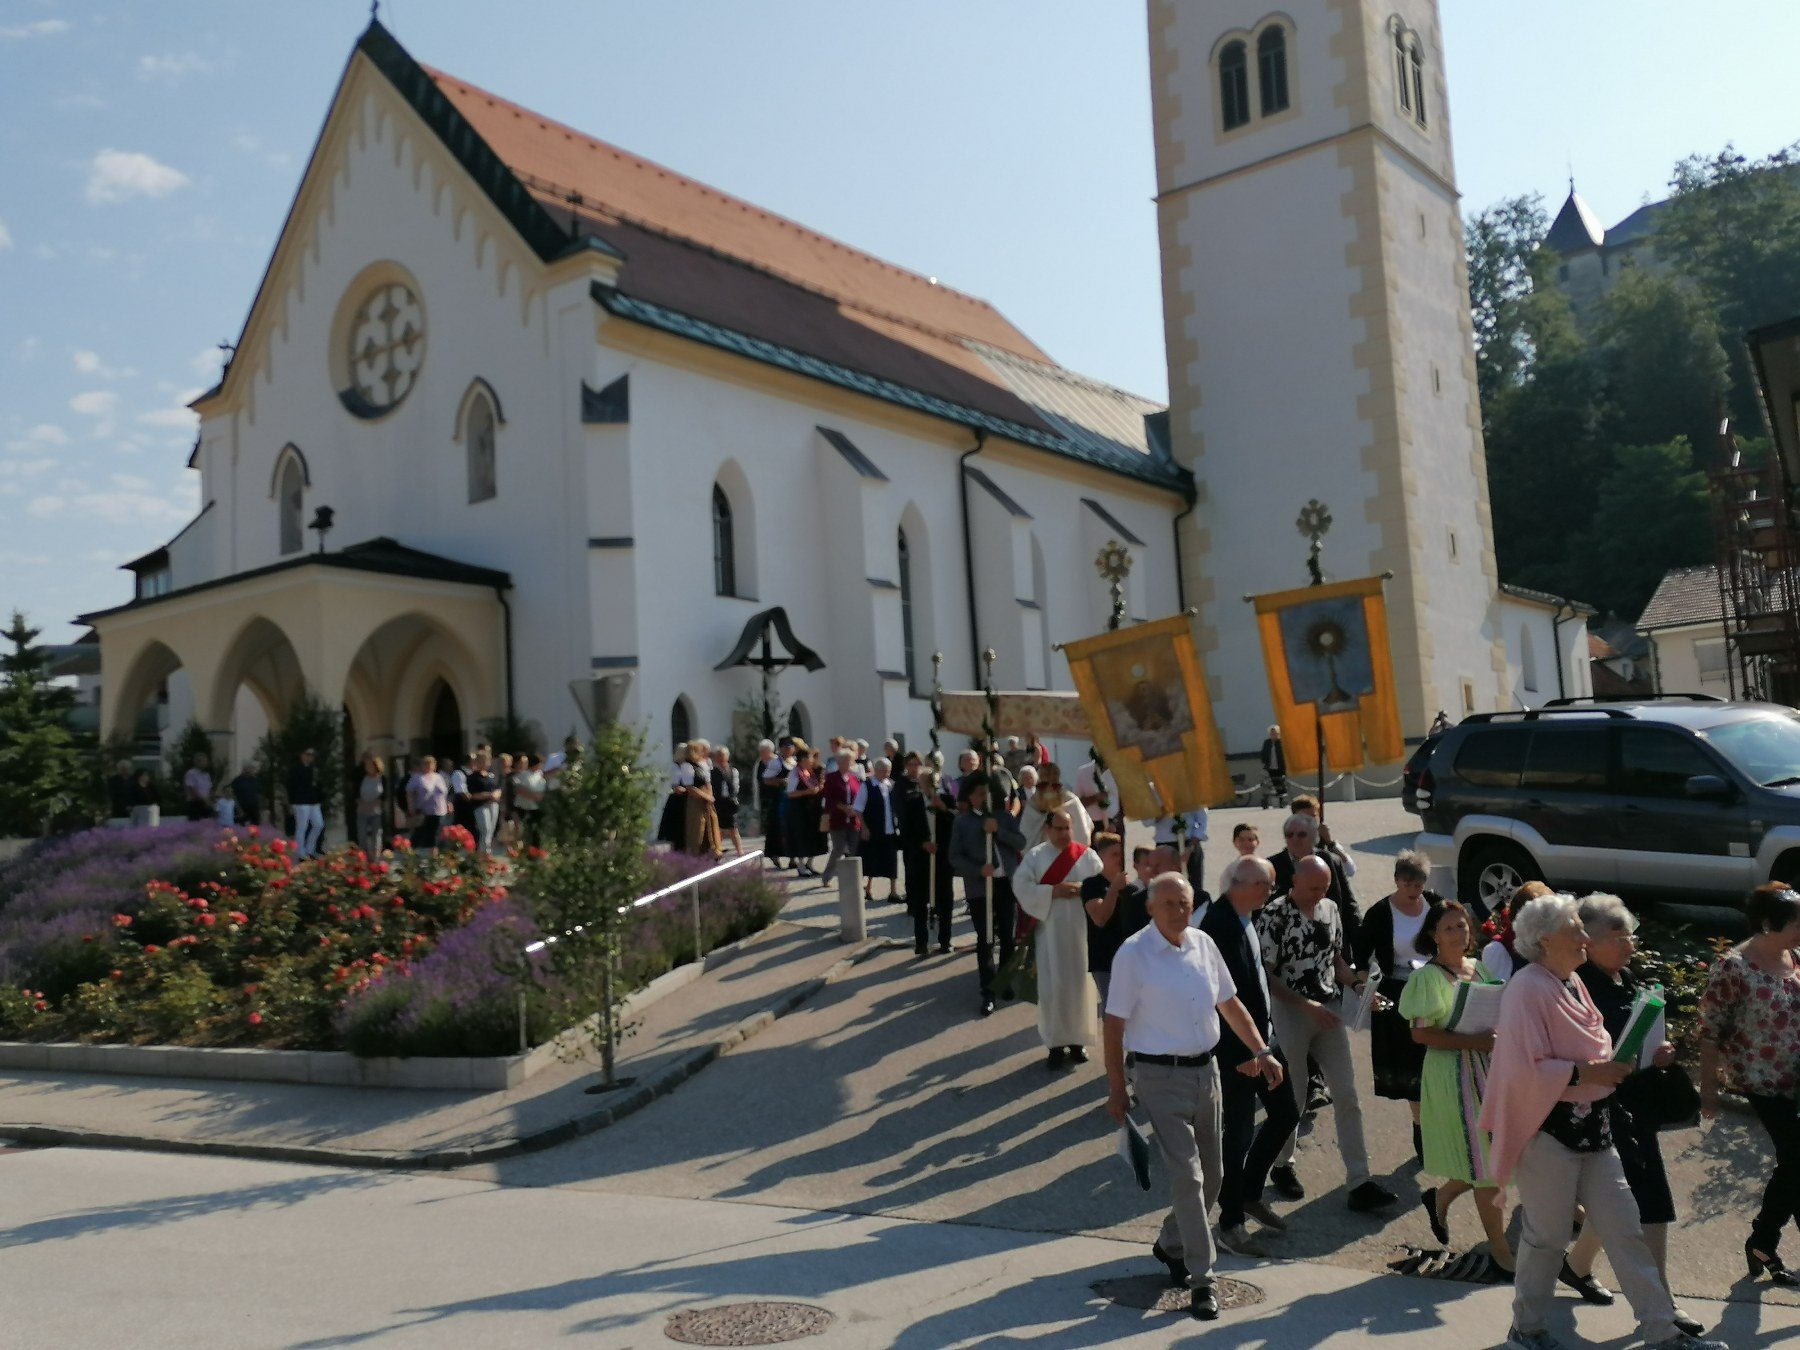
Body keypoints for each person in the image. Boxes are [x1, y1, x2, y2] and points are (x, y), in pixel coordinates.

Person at [1480, 894, 1718, 1350]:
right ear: (1545, 940)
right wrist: (1587, 1072)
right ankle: (1526, 1330)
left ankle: (1663, 1332)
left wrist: (1624, 1059)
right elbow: (1521, 1070)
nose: (1584, 937)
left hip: (1597, 1127)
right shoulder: (1527, 988)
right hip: (1547, 1133)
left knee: (1626, 1230)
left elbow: (1596, 1044)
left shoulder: (1571, 981)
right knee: (1547, 1240)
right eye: (1575, 928)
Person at [1103, 871, 1285, 1321]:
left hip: (1208, 1072)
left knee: (1215, 1175)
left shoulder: (1203, 944)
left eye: (1184, 902)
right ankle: (1203, 1278)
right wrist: (1116, 1088)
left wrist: (1261, 1050)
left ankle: (1171, 1242)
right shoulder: (1133, 954)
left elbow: (1230, 1004)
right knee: (1188, 1176)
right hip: (1157, 1077)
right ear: (1151, 907)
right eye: (1169, 903)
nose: (1179, 911)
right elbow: (1113, 1025)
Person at [1565, 894, 1703, 1335]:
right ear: (1588, 942)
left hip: (1636, 1104)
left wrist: (1661, 1053)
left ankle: (1576, 1265)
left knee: (1623, 1198)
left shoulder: (1624, 977)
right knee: (1648, 1200)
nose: (1629, 945)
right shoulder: (1578, 987)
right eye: (1618, 937)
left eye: (1630, 936)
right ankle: (1663, 1305)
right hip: (1601, 1108)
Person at [1259, 855, 1395, 1212]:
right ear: (1295, 881)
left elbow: (1334, 960)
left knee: (1347, 1094)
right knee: (1294, 1094)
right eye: (1313, 888)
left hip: (1328, 1009)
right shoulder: (1275, 915)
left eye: (1325, 888)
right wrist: (1306, 1006)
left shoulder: (1330, 909)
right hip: (1291, 1011)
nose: (1320, 894)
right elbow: (1266, 975)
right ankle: (1281, 1164)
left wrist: (1359, 987)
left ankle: (1360, 1180)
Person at [1401, 898, 1513, 1278]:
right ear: (1434, 935)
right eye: (1448, 927)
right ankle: (1500, 1250)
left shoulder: (1479, 968)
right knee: (1486, 1164)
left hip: (1488, 1069)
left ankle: (1442, 1196)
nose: (1457, 933)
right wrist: (1475, 1041)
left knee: (1488, 1154)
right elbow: (1420, 1034)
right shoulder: (1427, 978)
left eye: (1462, 926)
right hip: (1453, 1075)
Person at [1700, 882, 1800, 1293]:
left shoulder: (1794, 956)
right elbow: (1709, 1031)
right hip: (1760, 1081)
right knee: (1796, 1157)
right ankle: (1763, 1240)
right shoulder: (1734, 967)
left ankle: (1762, 1244)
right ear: (1768, 924)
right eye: (1796, 923)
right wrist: (1709, 1088)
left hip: (1796, 1079)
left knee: (1796, 1163)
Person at [1200, 855, 1301, 1257]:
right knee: (1238, 1135)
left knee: (1286, 1113)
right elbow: (1221, 999)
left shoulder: (1244, 917)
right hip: (1240, 1052)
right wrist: (1246, 1052)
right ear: (1239, 884)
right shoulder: (1219, 926)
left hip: (1262, 1043)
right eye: (1265, 885)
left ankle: (1248, 1193)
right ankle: (1230, 1224)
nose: (1270, 892)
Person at [1353, 850, 1438, 1157]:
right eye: (1407, 884)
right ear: (1396, 881)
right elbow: (1360, 957)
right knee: (1412, 1065)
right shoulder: (1379, 912)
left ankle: (1441, 1126)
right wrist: (1367, 989)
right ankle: (1421, 1127)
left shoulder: (1436, 905)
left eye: (1419, 884)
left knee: (1437, 1060)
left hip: (1434, 987)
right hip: (1398, 993)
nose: (1414, 890)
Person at [1016, 810, 1102, 1068]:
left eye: (1068, 828)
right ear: (1047, 829)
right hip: (1050, 934)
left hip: (1081, 933)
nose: (1064, 833)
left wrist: (1082, 889)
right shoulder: (1035, 857)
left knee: (1080, 985)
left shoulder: (1086, 855)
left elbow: (1102, 883)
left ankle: (1078, 1041)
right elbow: (1021, 886)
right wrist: (1051, 892)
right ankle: (1055, 1044)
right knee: (1053, 988)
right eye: (1059, 828)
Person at [948, 776, 1025, 1017]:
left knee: (1008, 936)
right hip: (980, 889)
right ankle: (988, 991)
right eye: (979, 794)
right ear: (970, 797)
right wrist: (978, 870)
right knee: (986, 938)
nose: (984, 798)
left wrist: (998, 831)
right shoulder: (962, 822)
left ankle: (1005, 980)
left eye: (987, 793)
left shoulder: (1004, 817)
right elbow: (954, 857)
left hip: (1005, 884)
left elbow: (1020, 842)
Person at [1084, 833, 1150, 1016]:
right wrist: (1114, 889)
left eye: (1121, 854)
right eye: (1114, 854)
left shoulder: (1132, 889)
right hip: (1105, 959)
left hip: (1129, 958)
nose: (1119, 859)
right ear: (1100, 856)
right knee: (1113, 1010)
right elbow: (1100, 918)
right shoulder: (1092, 885)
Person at [901, 765, 954, 956]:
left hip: (942, 859)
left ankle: (945, 941)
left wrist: (943, 809)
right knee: (920, 902)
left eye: (932, 782)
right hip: (921, 860)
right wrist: (922, 844)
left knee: (945, 901)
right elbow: (906, 832)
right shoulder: (913, 802)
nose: (929, 786)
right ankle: (921, 943)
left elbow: (955, 824)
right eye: (925, 783)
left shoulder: (946, 800)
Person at [852, 757, 900, 901]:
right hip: (873, 829)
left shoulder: (891, 785)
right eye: (884, 771)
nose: (886, 774)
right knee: (871, 860)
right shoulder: (867, 785)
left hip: (890, 830)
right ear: (876, 770)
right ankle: (868, 888)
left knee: (892, 860)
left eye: (888, 771)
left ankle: (893, 891)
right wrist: (864, 828)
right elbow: (858, 809)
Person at [1018, 762, 1090, 853]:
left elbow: (1083, 835)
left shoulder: (1071, 801)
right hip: (1041, 856)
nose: (1049, 788)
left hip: (1069, 855)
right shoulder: (1033, 804)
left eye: (1054, 785)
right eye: (1043, 785)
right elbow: (1025, 837)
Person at [819, 748, 864, 885]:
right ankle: (827, 876)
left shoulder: (854, 778)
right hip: (837, 818)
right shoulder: (831, 777)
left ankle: (854, 879)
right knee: (838, 848)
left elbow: (859, 796)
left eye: (850, 761)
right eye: (846, 760)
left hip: (853, 819)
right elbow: (829, 797)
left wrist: (854, 809)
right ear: (839, 762)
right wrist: (843, 807)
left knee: (854, 849)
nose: (848, 763)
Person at [786, 746, 824, 876]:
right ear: (803, 759)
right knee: (802, 837)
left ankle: (809, 863)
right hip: (800, 810)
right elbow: (790, 793)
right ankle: (801, 866)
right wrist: (806, 792)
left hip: (811, 810)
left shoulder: (809, 772)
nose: (812, 760)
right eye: (810, 757)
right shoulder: (795, 773)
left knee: (813, 837)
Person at [683, 738, 722, 857]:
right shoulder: (687, 766)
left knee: (711, 826)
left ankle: (713, 851)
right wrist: (706, 796)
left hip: (707, 801)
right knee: (697, 828)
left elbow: (707, 782)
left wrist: (710, 796)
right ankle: (695, 854)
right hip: (696, 802)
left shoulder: (701, 765)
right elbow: (690, 788)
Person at [405, 756, 448, 852]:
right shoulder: (417, 777)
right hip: (424, 811)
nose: (429, 766)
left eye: (431, 764)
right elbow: (409, 792)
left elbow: (444, 792)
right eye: (426, 764)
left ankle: (433, 854)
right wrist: (411, 806)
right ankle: (415, 853)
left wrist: (448, 803)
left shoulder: (438, 777)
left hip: (440, 810)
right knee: (422, 834)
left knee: (437, 834)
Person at [756, 739, 788, 865]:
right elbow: (758, 781)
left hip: (778, 798)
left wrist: (778, 782)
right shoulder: (759, 764)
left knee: (780, 826)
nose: (761, 753)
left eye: (763, 751)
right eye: (760, 751)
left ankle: (786, 854)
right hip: (766, 799)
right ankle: (773, 853)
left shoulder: (777, 762)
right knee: (771, 827)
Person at [466, 749, 502, 854]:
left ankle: (488, 852)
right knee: (485, 829)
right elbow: (472, 795)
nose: (484, 763)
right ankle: (483, 853)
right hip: (481, 806)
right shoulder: (472, 777)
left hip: (493, 805)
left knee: (491, 830)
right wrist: (489, 795)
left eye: (486, 760)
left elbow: (498, 788)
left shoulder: (491, 776)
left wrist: (496, 794)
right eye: (481, 760)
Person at [289, 748, 323, 857]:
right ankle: (300, 852)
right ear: (302, 755)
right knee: (302, 827)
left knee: (319, 824)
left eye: (312, 755)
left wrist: (319, 799)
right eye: (308, 754)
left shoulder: (314, 769)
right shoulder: (296, 769)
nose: (310, 757)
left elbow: (317, 785)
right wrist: (292, 802)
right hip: (301, 801)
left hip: (313, 801)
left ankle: (309, 849)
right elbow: (291, 786)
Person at [656, 743, 692, 847]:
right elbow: (675, 786)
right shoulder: (675, 767)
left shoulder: (689, 766)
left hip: (687, 798)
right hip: (678, 800)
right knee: (676, 827)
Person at [1073, 751, 1116, 835]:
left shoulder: (1118, 772)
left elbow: (1124, 801)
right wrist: (1096, 798)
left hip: (1114, 826)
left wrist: (1116, 822)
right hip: (1092, 825)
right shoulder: (1083, 772)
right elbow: (1076, 802)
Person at [713, 746, 743, 856]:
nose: (721, 758)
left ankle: (740, 852)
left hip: (729, 803)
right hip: (717, 802)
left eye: (723, 755)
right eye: (719, 756)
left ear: (727, 757)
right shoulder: (711, 772)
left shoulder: (733, 771)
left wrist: (733, 796)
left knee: (733, 828)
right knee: (717, 829)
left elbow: (736, 786)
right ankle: (718, 851)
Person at [355, 754, 386, 856]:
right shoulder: (362, 778)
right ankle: (363, 857)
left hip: (376, 811)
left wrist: (374, 804)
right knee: (362, 836)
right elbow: (355, 793)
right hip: (362, 810)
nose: (368, 768)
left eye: (370, 766)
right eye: (366, 766)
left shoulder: (382, 778)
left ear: (376, 766)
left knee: (376, 835)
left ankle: (375, 858)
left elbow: (385, 795)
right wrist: (360, 803)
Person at [511, 753, 545, 848]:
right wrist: (534, 796)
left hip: (536, 808)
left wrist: (539, 797)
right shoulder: (523, 775)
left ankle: (535, 851)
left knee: (535, 831)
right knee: (523, 832)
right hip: (523, 807)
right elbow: (519, 790)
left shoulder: (540, 775)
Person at [1219, 823, 1260, 898]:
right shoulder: (1231, 870)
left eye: (1250, 840)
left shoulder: (1266, 867)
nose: (1246, 843)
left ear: (1257, 842)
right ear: (1234, 842)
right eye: (1241, 840)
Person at [182, 751, 213, 823]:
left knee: (207, 824)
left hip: (206, 803)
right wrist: (204, 800)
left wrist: (210, 800)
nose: (204, 763)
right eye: (201, 761)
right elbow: (192, 789)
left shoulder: (206, 775)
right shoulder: (191, 773)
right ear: (196, 762)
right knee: (195, 824)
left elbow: (210, 788)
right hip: (195, 803)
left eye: (205, 761)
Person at [230, 763, 262, 829]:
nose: (248, 771)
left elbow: (259, 794)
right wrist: (238, 807)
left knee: (255, 828)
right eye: (246, 769)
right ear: (243, 770)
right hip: (240, 808)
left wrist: (259, 809)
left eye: (250, 769)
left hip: (253, 809)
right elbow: (232, 794)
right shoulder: (237, 781)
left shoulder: (255, 780)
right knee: (239, 827)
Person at [106, 759, 136, 826]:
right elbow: (113, 795)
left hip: (134, 809)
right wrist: (125, 806)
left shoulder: (134, 779)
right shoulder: (113, 780)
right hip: (119, 809)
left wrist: (133, 805)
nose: (125, 770)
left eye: (126, 768)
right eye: (122, 768)